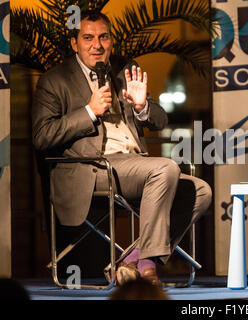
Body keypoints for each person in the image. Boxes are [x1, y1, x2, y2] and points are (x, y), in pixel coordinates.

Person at [32, 11, 212, 286]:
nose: (97, 45)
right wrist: (89, 112)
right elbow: (42, 136)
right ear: (74, 43)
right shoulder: (55, 80)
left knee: (201, 190)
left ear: (111, 40)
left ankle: (132, 260)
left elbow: (161, 120)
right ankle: (148, 268)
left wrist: (142, 107)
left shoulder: (125, 68)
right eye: (88, 38)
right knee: (164, 168)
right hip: (93, 167)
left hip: (135, 163)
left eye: (103, 37)